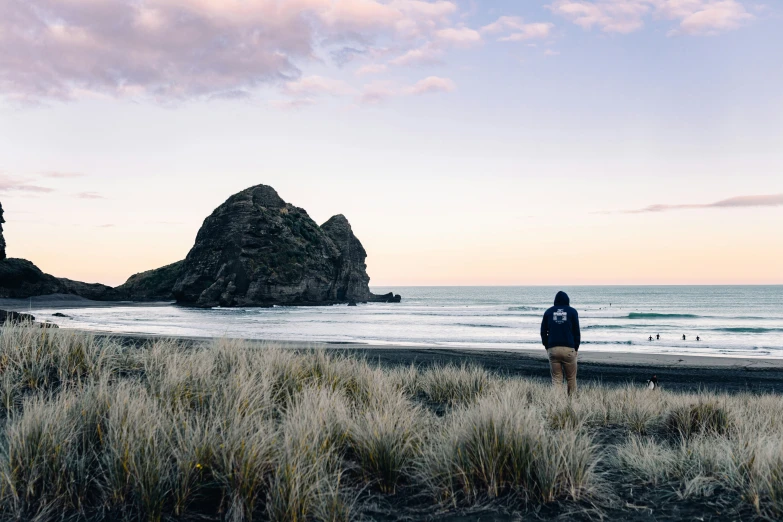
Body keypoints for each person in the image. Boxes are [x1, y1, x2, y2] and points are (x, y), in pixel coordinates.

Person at [541, 291, 581, 395]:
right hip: (568, 348)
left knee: (556, 379)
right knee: (571, 378)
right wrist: (576, 348)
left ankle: (557, 403)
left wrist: (547, 346)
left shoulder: (548, 312)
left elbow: (543, 331)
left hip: (553, 349)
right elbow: (576, 332)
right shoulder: (572, 312)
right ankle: (571, 403)